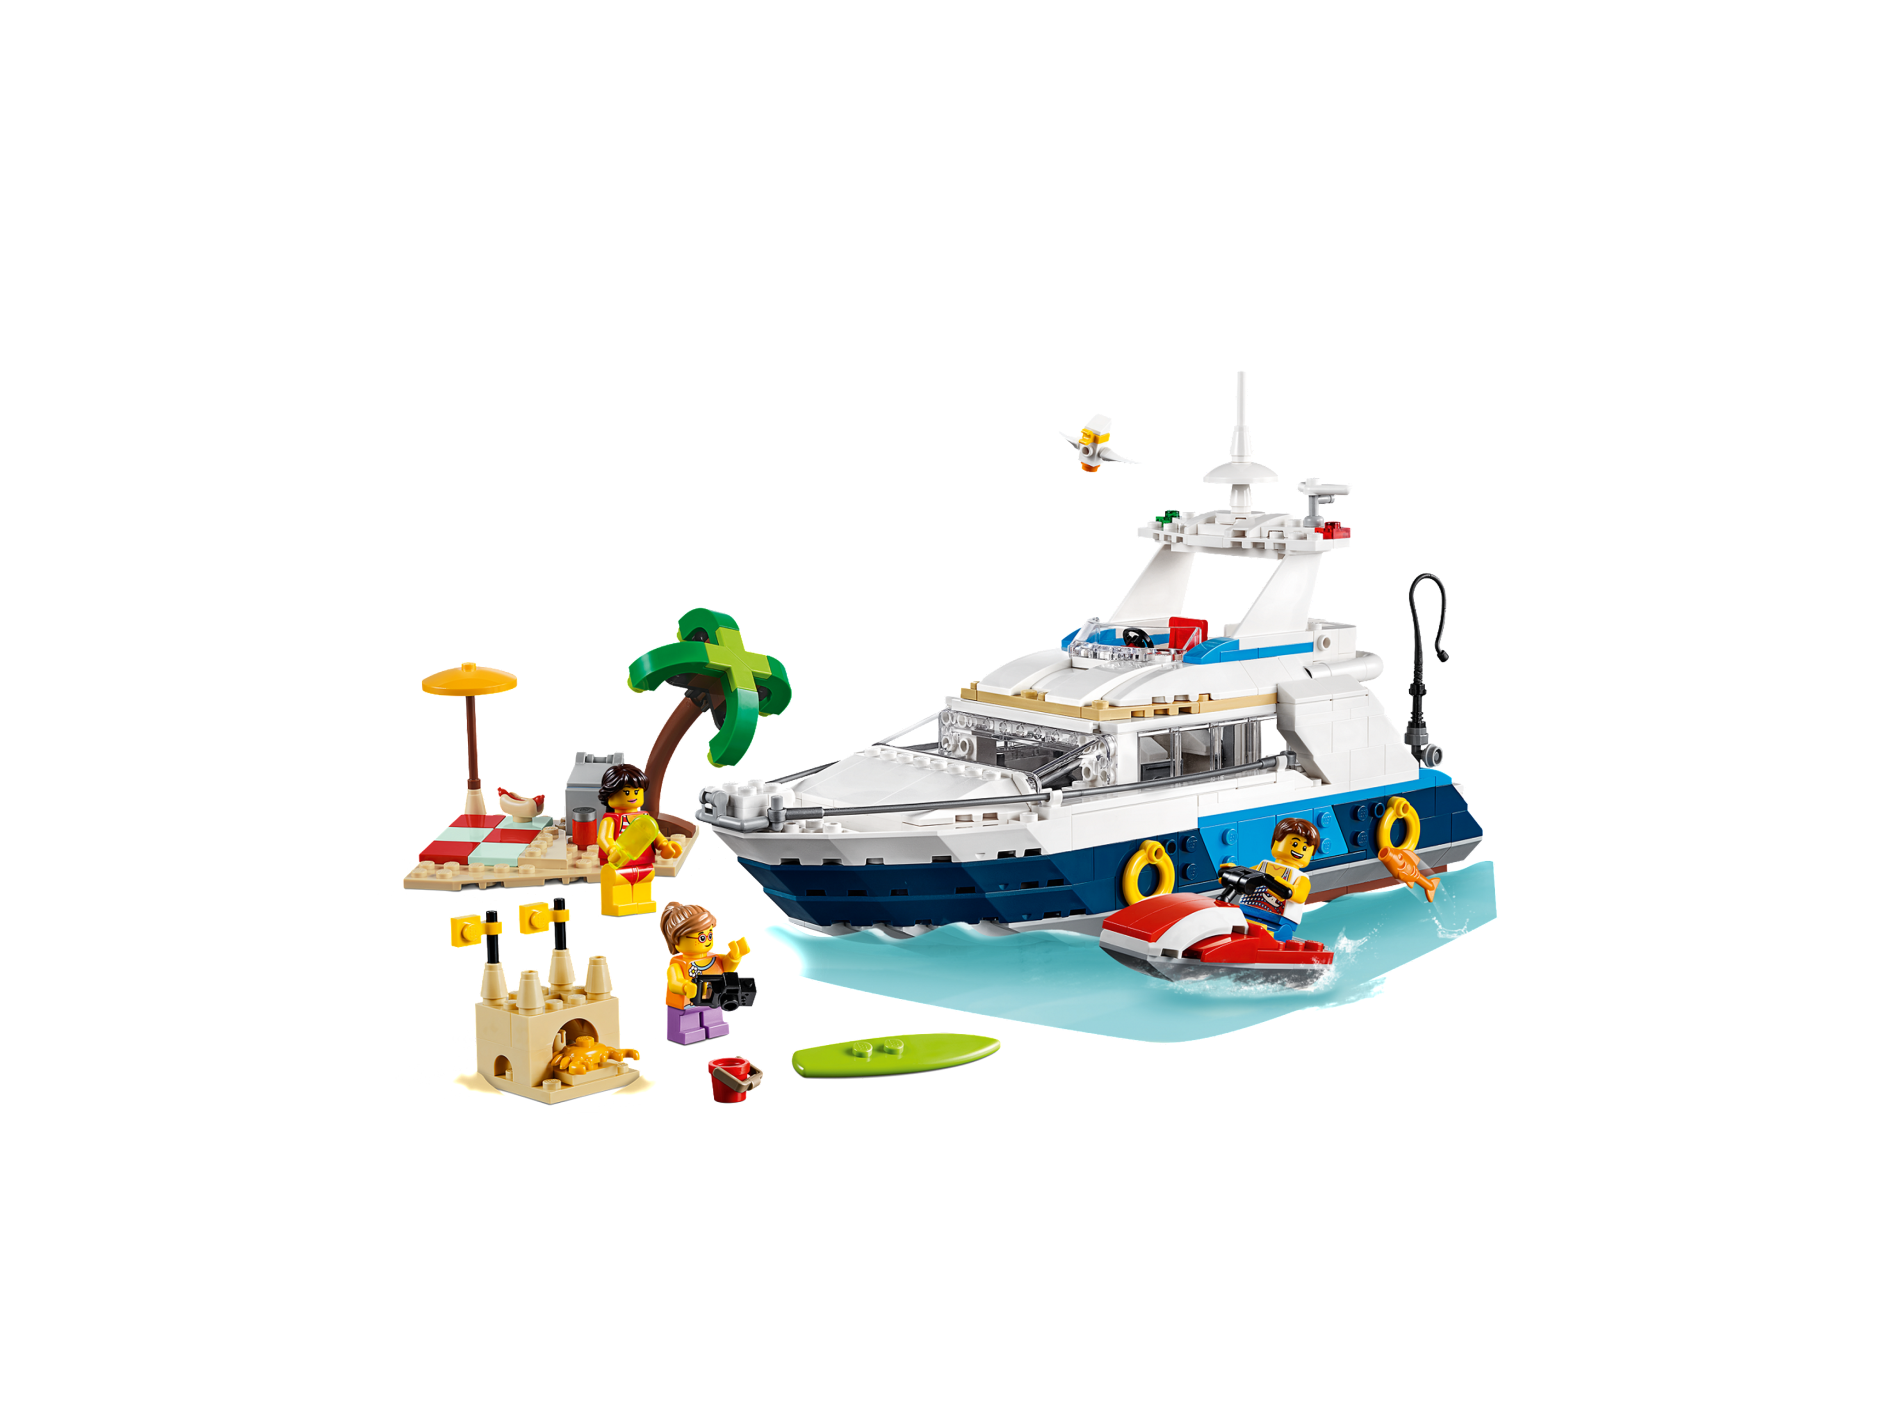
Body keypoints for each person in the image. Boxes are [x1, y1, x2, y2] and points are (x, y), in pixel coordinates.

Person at [659, 901, 752, 1046]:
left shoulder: (714, 958)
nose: (707, 940)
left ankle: (714, 1025)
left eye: (710, 935)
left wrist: (734, 957)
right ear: (676, 939)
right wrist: (685, 987)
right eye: (701, 938)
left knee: (713, 1015)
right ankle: (686, 1032)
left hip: (712, 1000)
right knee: (687, 1022)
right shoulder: (678, 963)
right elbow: (674, 982)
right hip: (687, 1004)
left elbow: (726, 968)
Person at [596, 762, 682, 917]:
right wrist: (612, 849)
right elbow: (603, 838)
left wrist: (665, 846)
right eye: (626, 792)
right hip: (619, 863)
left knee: (644, 880)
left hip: (643, 864)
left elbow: (655, 835)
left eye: (637, 791)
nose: (633, 796)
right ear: (609, 794)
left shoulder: (645, 818)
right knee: (619, 882)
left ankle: (643, 902)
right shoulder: (611, 820)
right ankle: (620, 905)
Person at [1245, 816, 1321, 942]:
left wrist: (1289, 891)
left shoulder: (1300, 878)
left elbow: (1300, 895)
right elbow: (1246, 873)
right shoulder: (1263, 866)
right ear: (1275, 842)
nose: (1299, 850)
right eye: (1294, 844)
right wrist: (1232, 872)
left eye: (1304, 848)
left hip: (1278, 924)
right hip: (1245, 914)